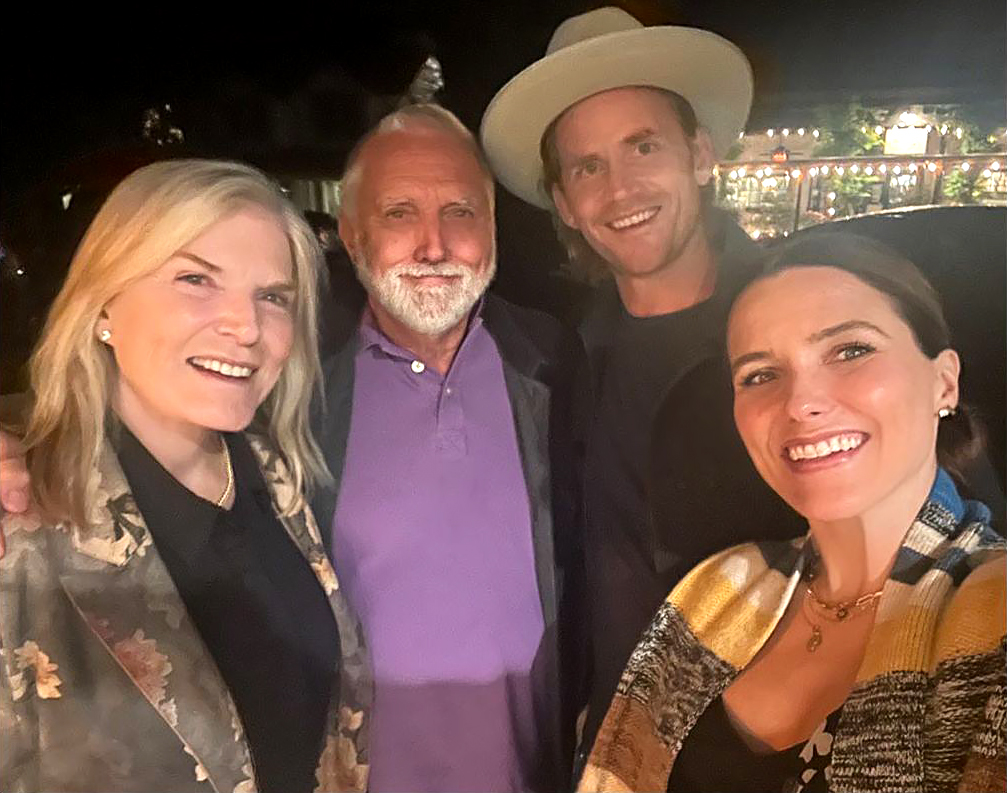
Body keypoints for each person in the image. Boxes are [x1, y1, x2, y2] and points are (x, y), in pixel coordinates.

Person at [481, 6, 805, 753]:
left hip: (774, 759)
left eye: (643, 145)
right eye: (587, 167)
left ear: (700, 153)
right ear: (565, 203)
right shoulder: (562, 358)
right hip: (617, 755)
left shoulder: (805, 322)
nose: (620, 188)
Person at [579, 233, 1006, 793]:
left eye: (850, 351)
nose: (801, 402)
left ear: (943, 382)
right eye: (760, 375)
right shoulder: (713, 594)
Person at [0, 159, 369, 792]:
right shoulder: (21, 525)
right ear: (103, 305)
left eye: (273, 297)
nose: (246, 327)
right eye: (195, 279)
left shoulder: (276, 475)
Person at [306, 104, 586, 792]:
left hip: (536, 773)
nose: (433, 246)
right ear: (351, 233)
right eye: (399, 213)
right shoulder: (299, 386)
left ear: (491, 229)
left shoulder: (552, 359)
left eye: (459, 212)